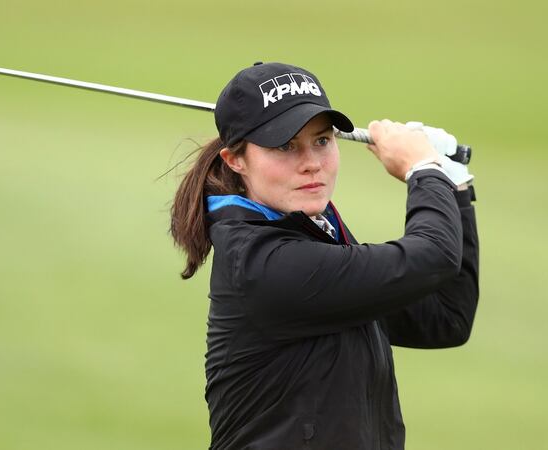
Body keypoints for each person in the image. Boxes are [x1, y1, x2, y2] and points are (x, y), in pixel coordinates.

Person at [170, 62, 479, 449]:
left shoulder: (319, 235)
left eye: (321, 140)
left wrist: (456, 184)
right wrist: (425, 169)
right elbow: (432, 255)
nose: (312, 162)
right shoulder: (263, 263)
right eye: (286, 146)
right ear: (236, 160)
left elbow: (446, 318)